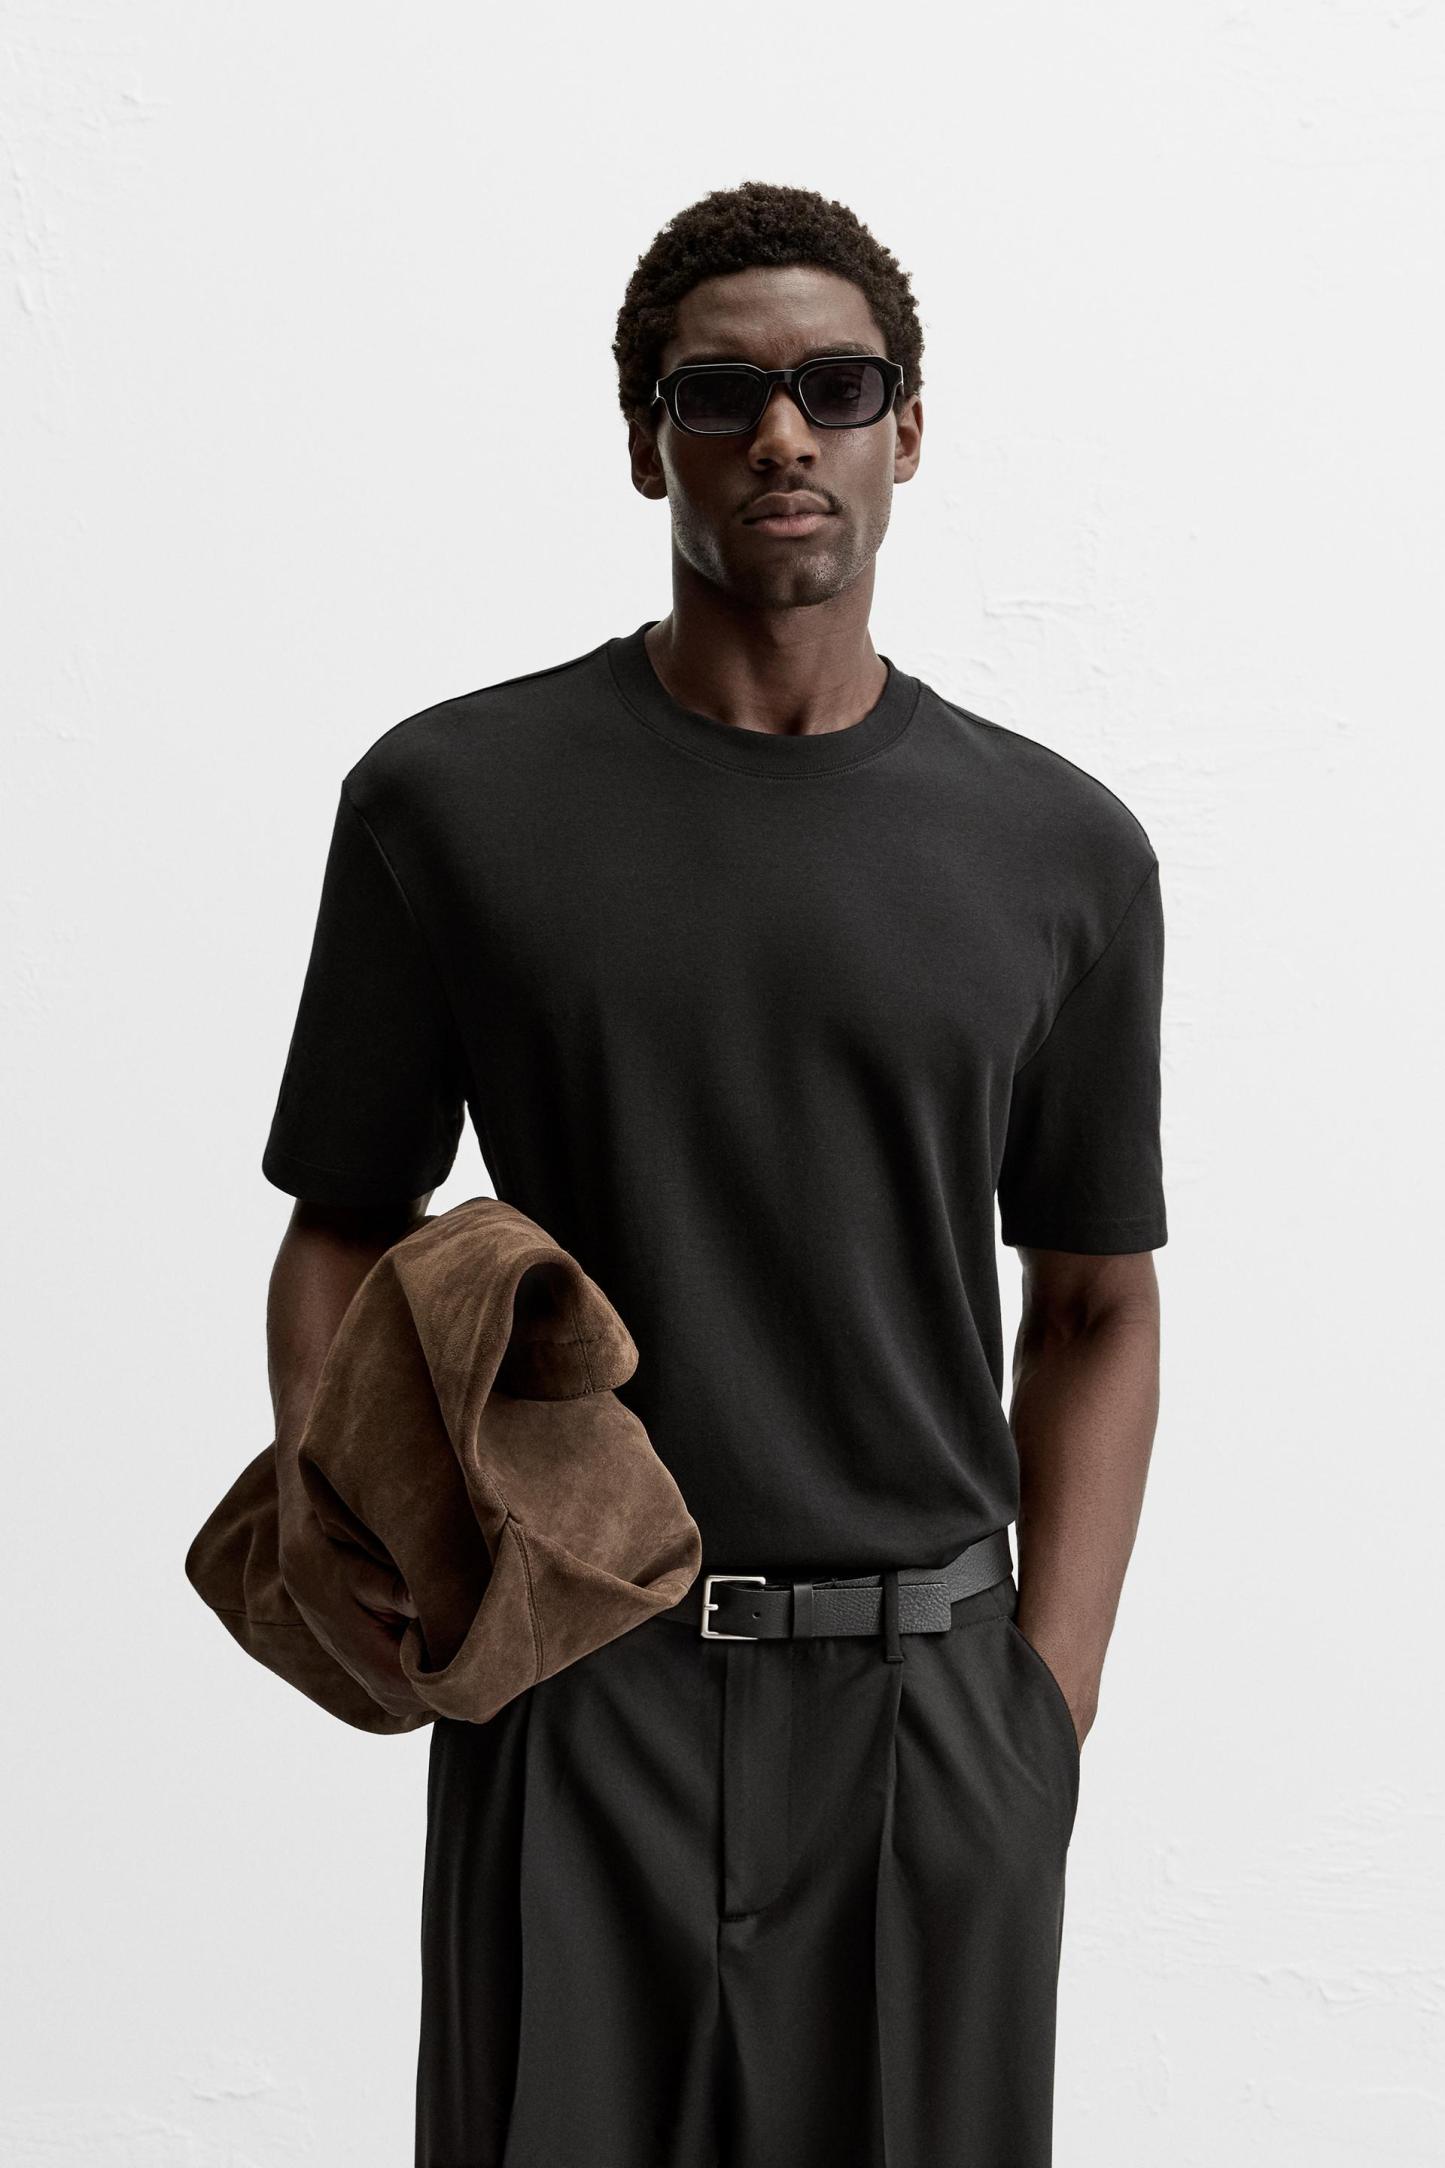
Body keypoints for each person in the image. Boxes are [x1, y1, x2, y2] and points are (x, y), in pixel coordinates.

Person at [261, 179, 1166, 2168]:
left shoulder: (1064, 852)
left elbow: (1097, 1299)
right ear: (642, 438)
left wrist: (1046, 1707)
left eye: (836, 387)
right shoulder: (452, 802)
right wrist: (362, 1527)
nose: (781, 432)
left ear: (906, 430)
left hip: (931, 1716)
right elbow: (340, 1221)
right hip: (575, 1686)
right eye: (717, 390)